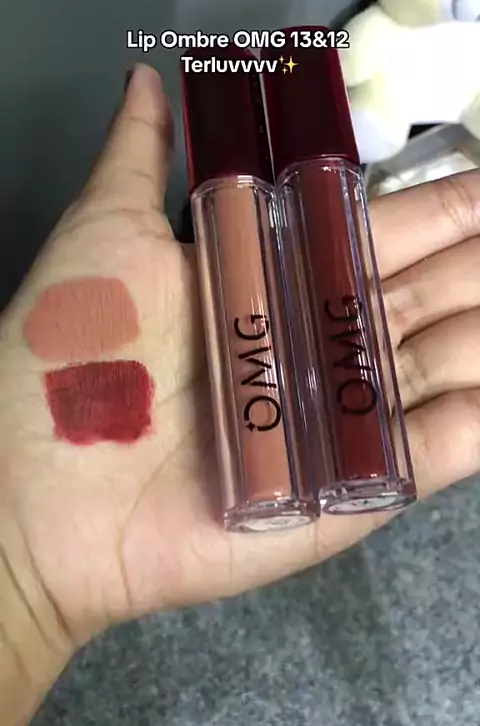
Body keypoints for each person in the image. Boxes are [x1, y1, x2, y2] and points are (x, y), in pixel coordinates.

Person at [1, 64, 479, 725]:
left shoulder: (326, 181)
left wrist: (22, 579)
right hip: (240, 214)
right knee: (280, 343)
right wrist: (19, 569)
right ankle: (283, 474)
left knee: (337, 332)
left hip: (310, 191)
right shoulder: (229, 202)